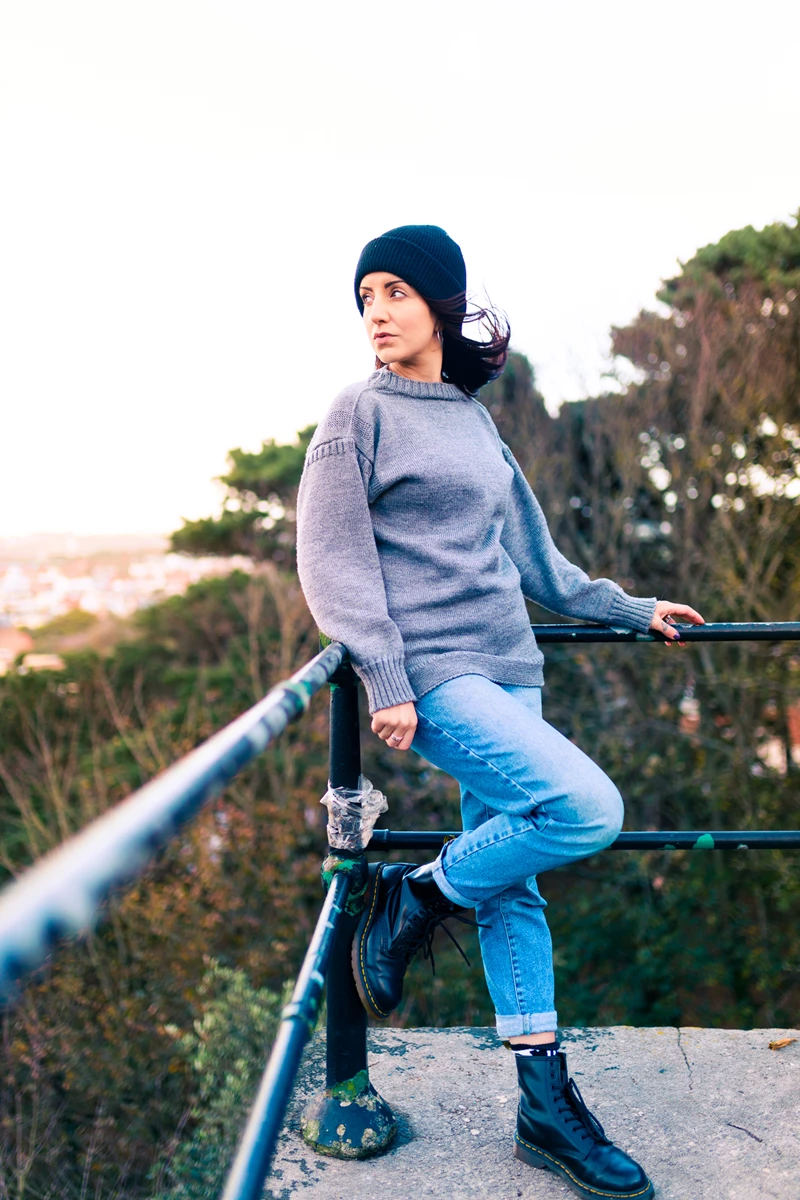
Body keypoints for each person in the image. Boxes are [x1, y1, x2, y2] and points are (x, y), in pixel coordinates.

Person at [296, 224, 704, 1200]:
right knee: (583, 810)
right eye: (364, 298)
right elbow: (334, 561)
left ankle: (540, 1103)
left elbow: (533, 557)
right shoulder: (355, 414)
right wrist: (385, 679)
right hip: (435, 674)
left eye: (393, 292)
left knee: (512, 883)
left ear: (440, 301)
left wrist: (625, 607)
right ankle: (417, 894)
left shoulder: (468, 419)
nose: (376, 314)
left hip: (508, 666)